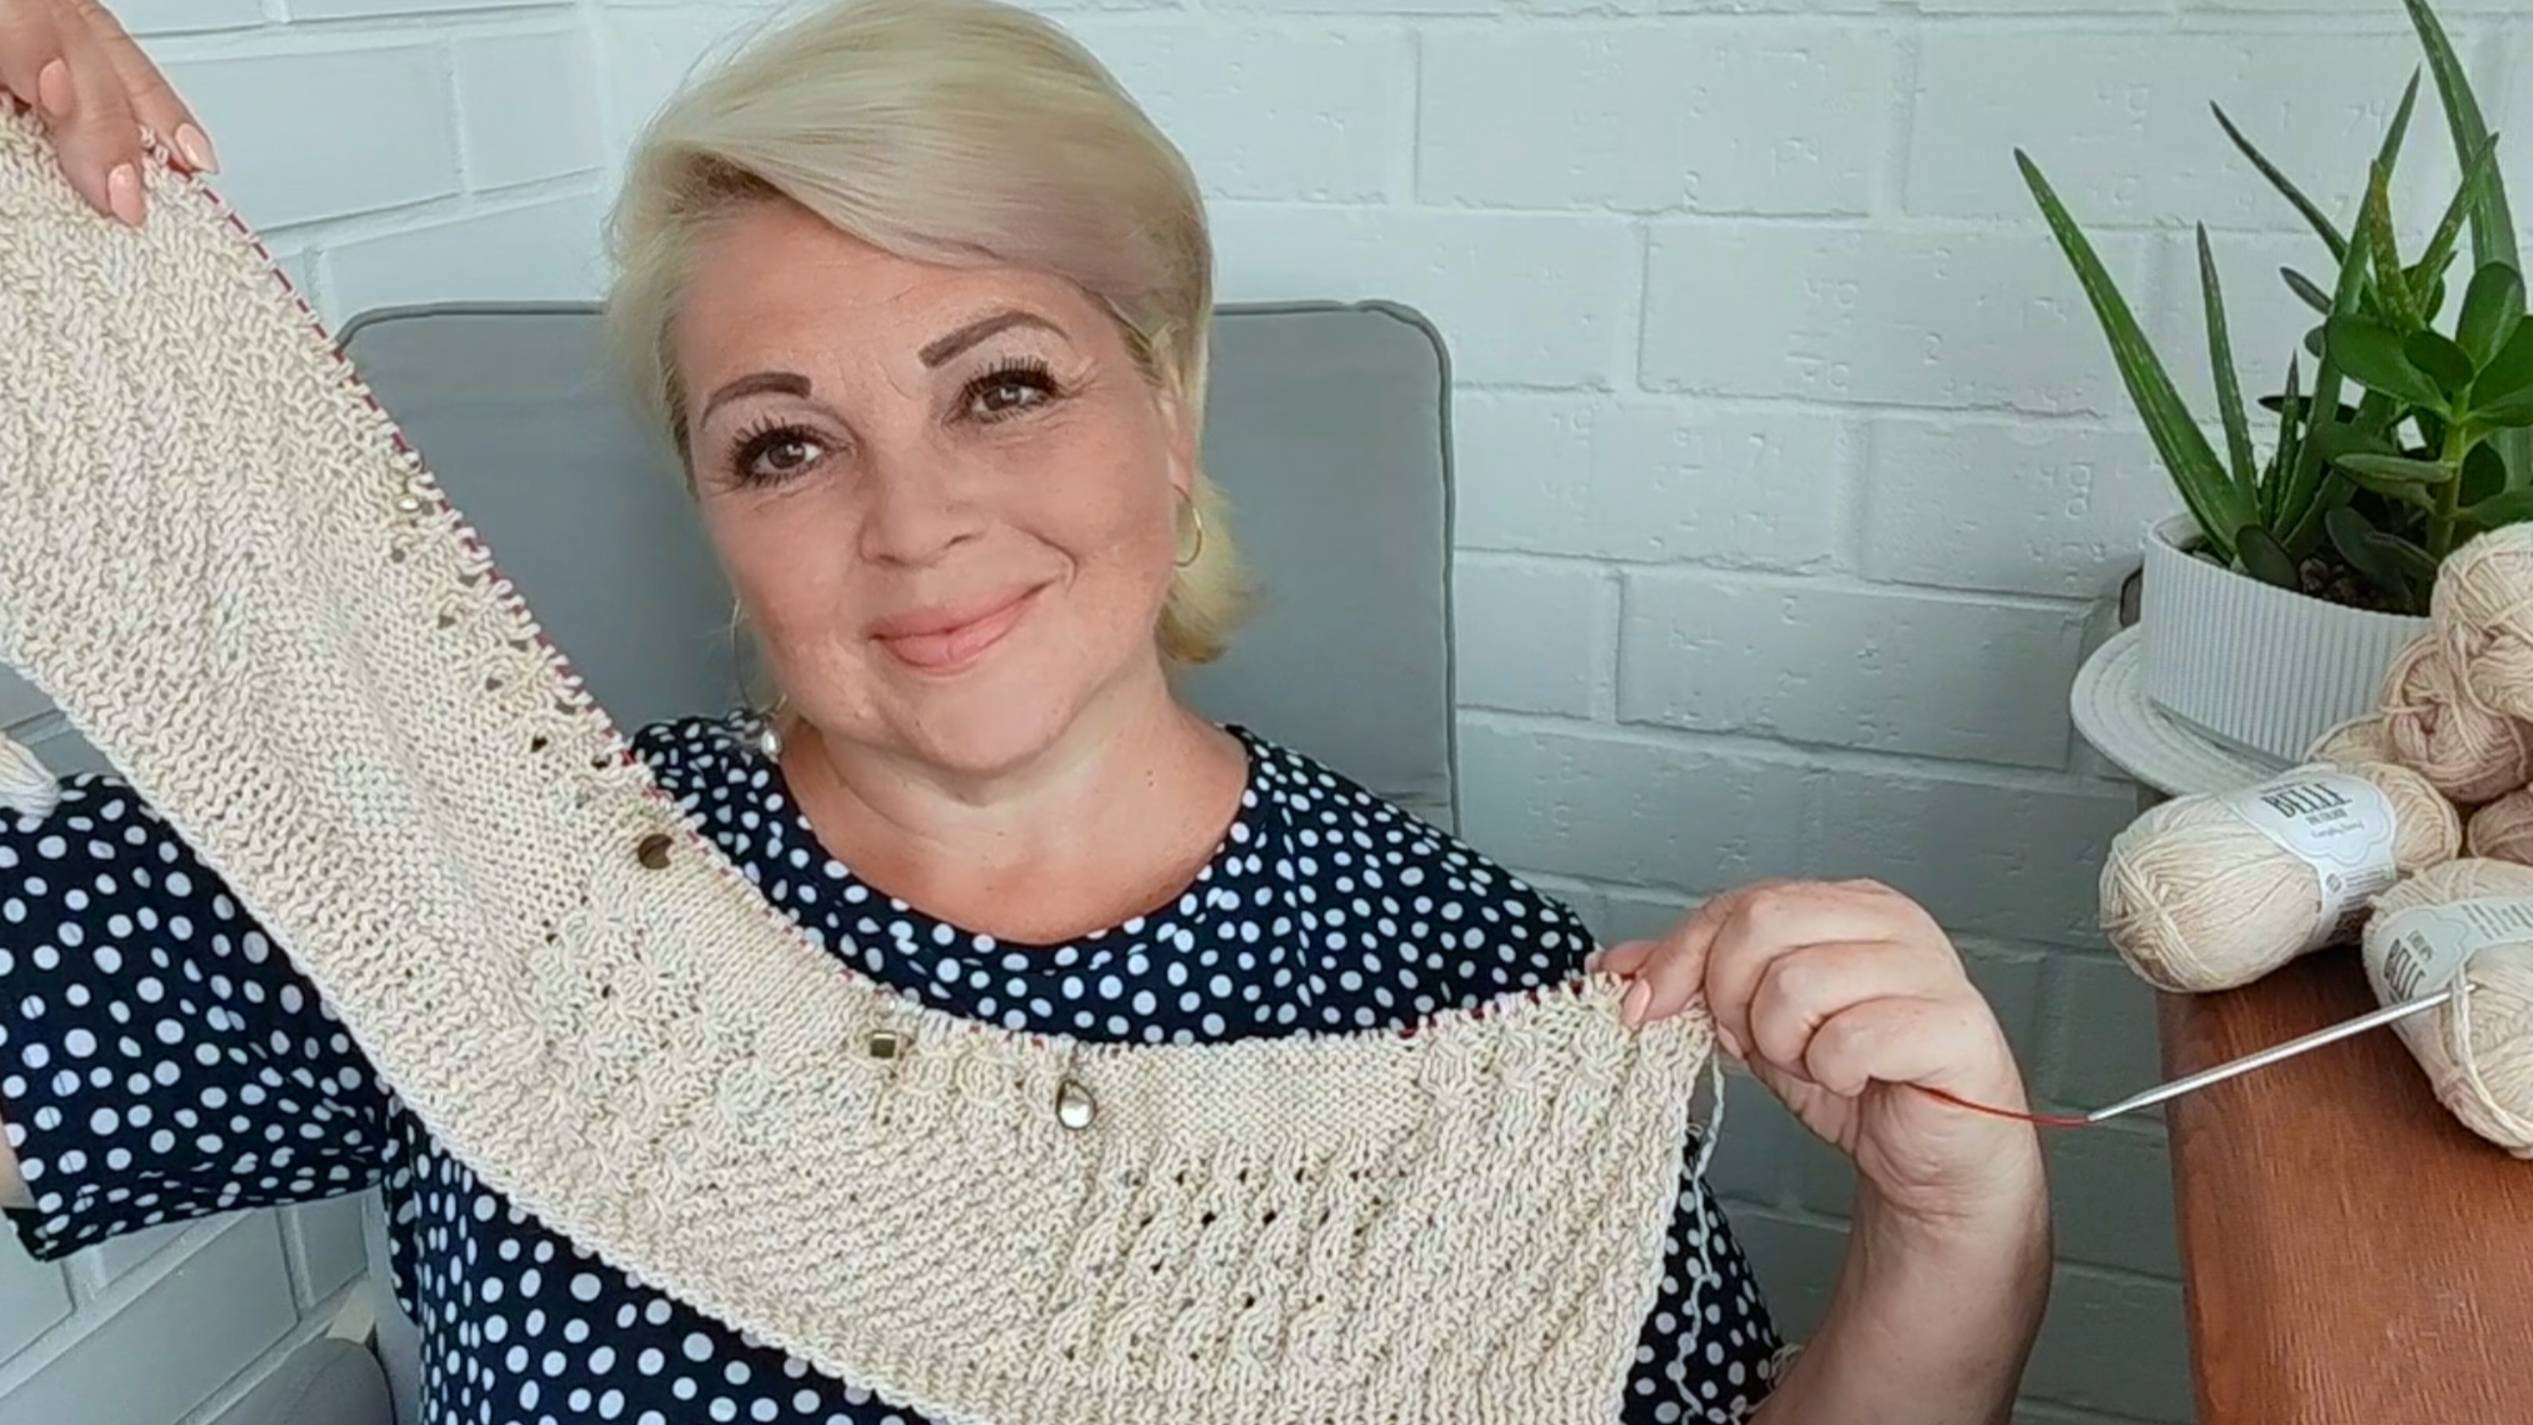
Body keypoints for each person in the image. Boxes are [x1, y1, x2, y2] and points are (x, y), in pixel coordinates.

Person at [0, 0, 2051, 1420]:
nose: (915, 523)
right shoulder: (487, 889)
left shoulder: (1474, 1001)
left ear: (1169, 407)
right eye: (784, 443)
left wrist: (1954, 1227)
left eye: (1002, 386)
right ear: (714, 512)